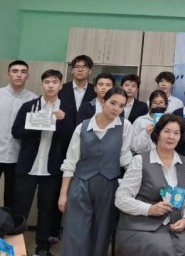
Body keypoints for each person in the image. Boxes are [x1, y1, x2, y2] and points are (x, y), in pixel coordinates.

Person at [58, 87, 133, 256]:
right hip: (81, 185)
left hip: (109, 186)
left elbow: (125, 157)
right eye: (113, 103)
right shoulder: (82, 127)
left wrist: (137, 177)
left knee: (101, 234)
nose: (116, 108)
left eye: (121, 106)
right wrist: (63, 194)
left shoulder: (125, 126)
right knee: (75, 232)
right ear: (103, 101)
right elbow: (70, 162)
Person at [12, 69, 73, 256]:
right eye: (47, 82)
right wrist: (35, 124)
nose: (51, 85)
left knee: (47, 210)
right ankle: (16, 246)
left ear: (60, 86)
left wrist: (62, 121)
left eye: (55, 82)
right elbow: (16, 132)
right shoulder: (29, 106)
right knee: (20, 208)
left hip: (52, 169)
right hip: (28, 167)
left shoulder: (67, 109)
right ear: (41, 85)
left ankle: (42, 247)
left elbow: (71, 138)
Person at [115, 114, 185, 256]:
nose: (171, 137)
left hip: (172, 225)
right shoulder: (140, 160)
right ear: (157, 133)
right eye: (167, 131)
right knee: (161, 249)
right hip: (140, 226)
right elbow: (121, 199)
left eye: (176, 133)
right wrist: (150, 209)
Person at [0, 60, 36, 210]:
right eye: (15, 71)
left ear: (27, 76)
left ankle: (7, 225)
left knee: (12, 199)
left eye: (23, 72)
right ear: (8, 74)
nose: (19, 75)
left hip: (18, 157)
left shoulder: (34, 100)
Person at [59, 55, 96, 127]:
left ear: (90, 71)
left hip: (86, 130)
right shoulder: (61, 89)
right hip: (64, 130)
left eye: (84, 67)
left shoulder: (95, 90)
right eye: (77, 67)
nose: (80, 70)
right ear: (72, 70)